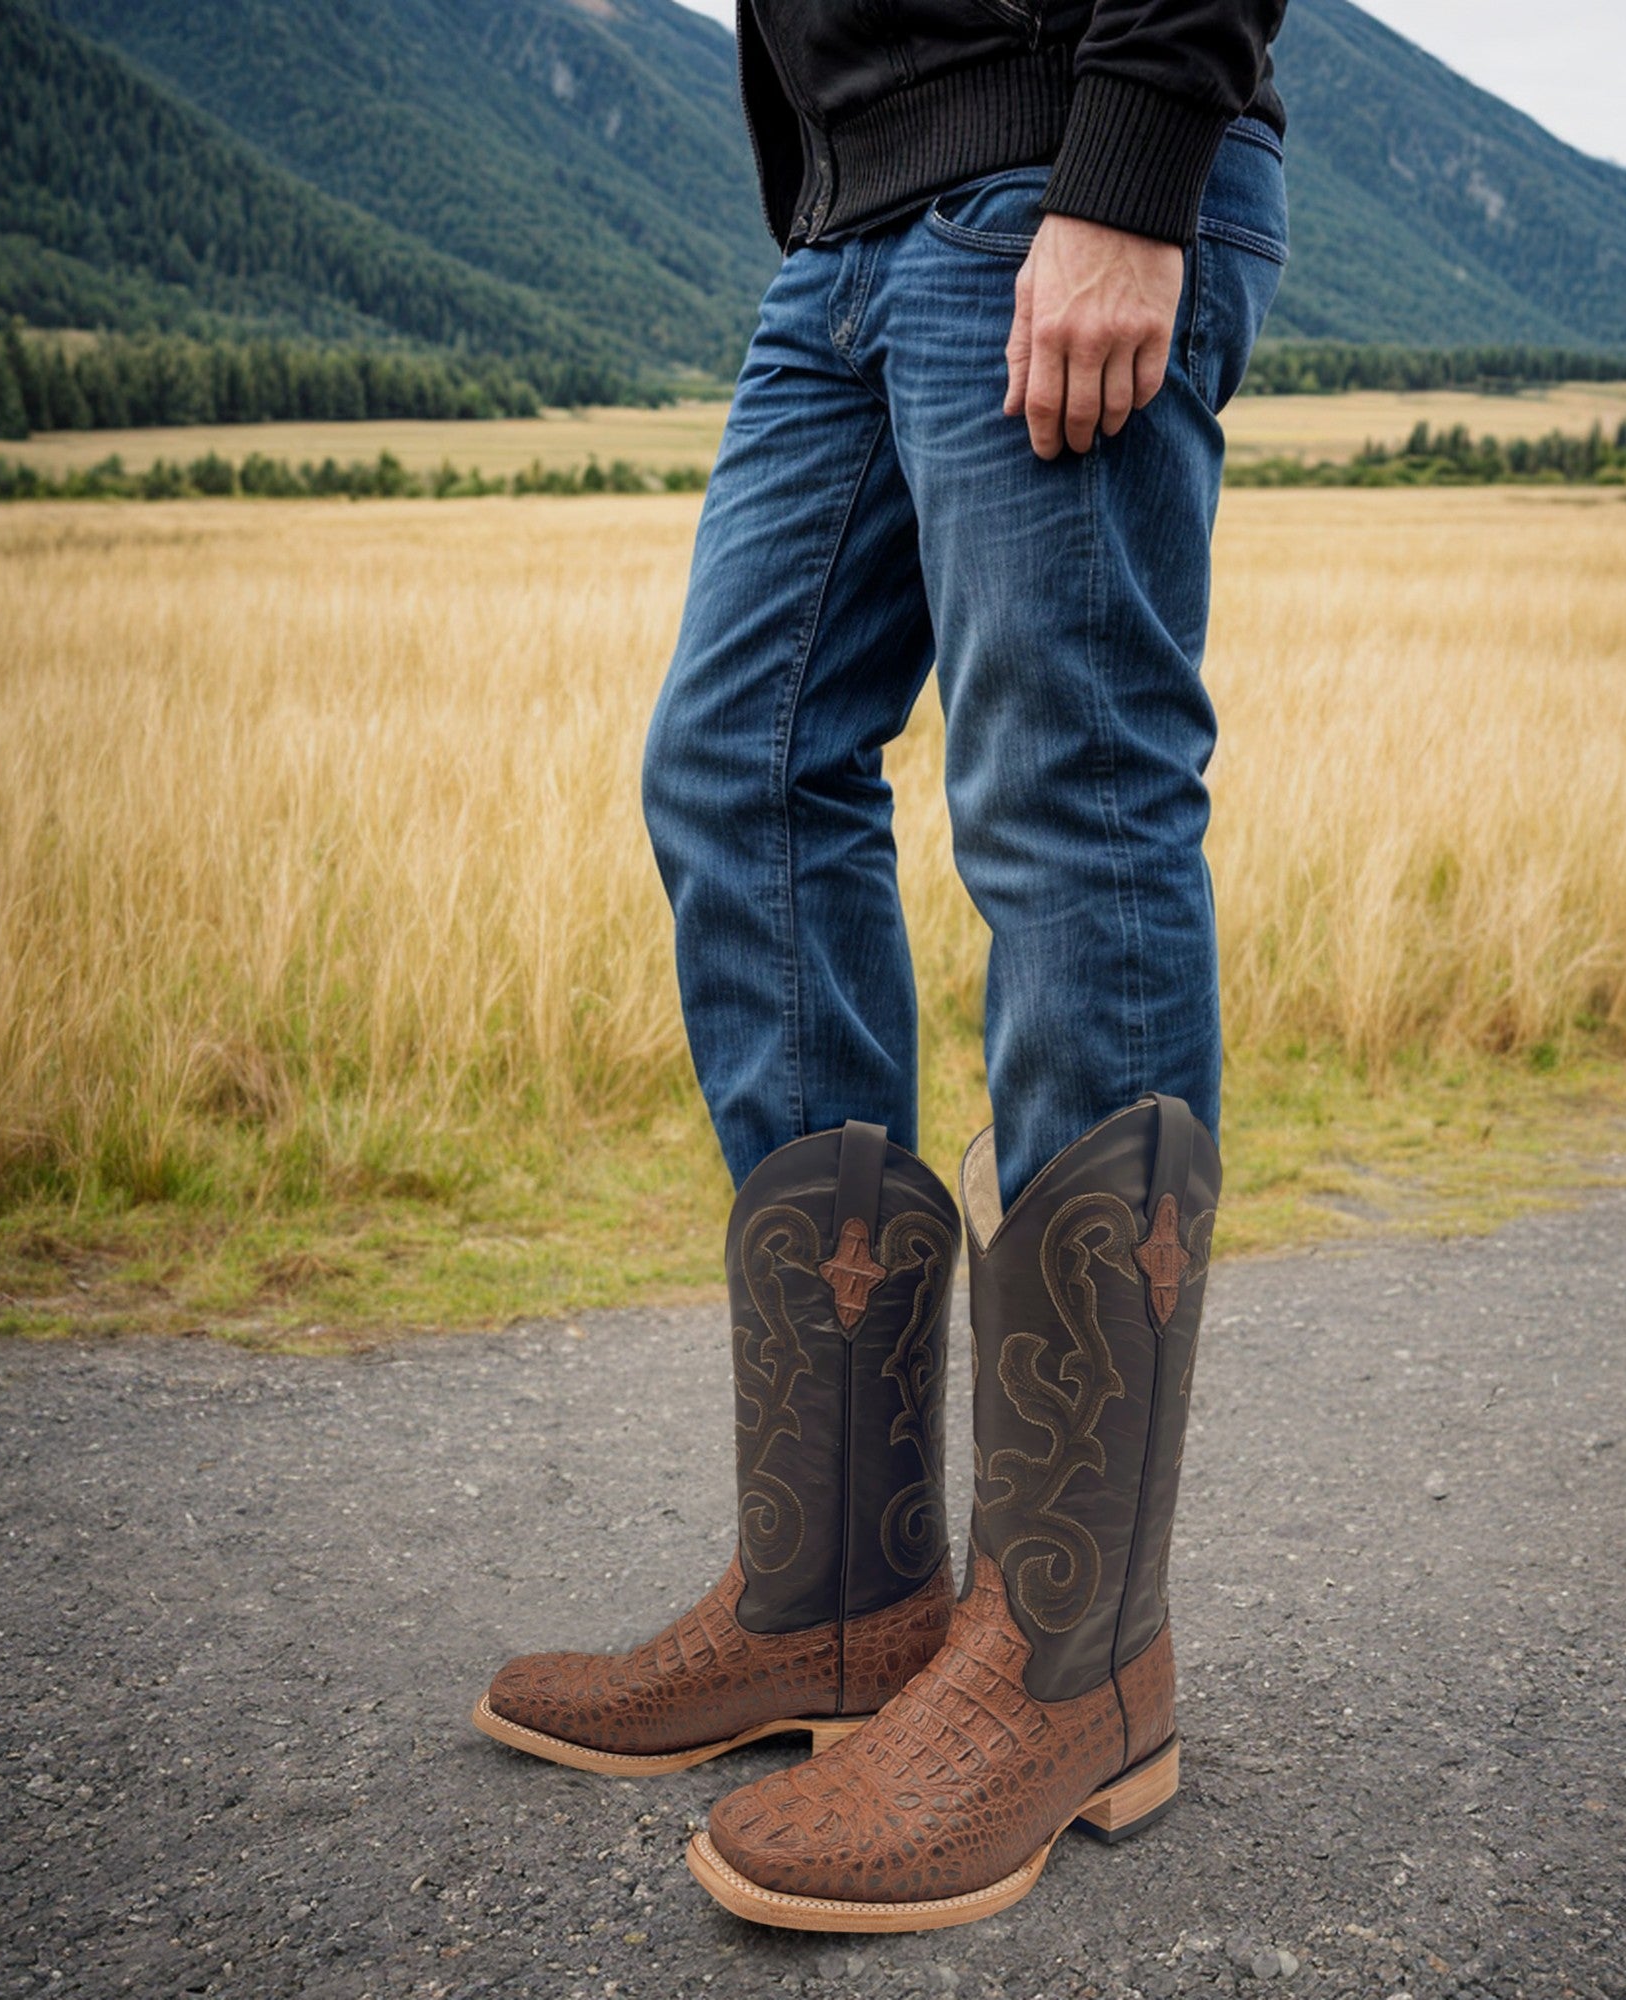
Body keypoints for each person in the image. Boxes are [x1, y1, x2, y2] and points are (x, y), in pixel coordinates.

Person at [475, 0, 1290, 1933]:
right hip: (851, 228)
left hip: (1053, 173)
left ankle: (1075, 1656)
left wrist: (1130, 164)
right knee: (735, 776)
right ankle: (837, 1593)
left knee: (1068, 801)